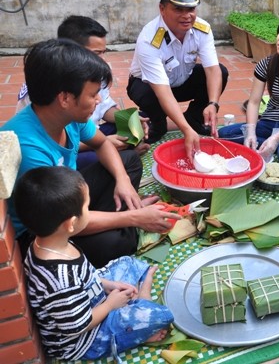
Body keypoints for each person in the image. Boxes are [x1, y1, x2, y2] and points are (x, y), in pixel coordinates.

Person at [1, 39, 175, 267]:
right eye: (93, 94)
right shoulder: (30, 150)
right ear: (65, 98)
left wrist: (123, 181)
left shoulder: (67, 116)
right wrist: (135, 217)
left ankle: (115, 216)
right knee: (116, 243)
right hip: (45, 231)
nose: (99, 100)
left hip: (71, 201)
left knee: (129, 161)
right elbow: (60, 221)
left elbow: (103, 144)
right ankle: (121, 220)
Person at [14, 166, 174, 361]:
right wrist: (110, 305)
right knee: (161, 317)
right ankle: (139, 310)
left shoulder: (48, 242)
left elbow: (87, 277)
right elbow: (78, 325)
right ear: (71, 223)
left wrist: (108, 285)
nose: (89, 211)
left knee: (127, 263)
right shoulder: (59, 280)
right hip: (86, 339)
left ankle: (135, 306)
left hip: (90, 302)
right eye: (86, 207)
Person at [16, 15, 150, 169]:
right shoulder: (46, 88)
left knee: (133, 125)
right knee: (106, 159)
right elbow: (55, 142)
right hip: (65, 147)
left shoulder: (94, 72)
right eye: (96, 53)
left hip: (86, 133)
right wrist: (103, 144)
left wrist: (128, 121)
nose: (101, 60)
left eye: (103, 52)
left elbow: (104, 108)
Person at [127, 0, 229, 159]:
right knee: (156, 126)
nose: (187, 16)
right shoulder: (149, 39)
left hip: (181, 81)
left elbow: (212, 69)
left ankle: (194, 118)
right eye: (178, 9)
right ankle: (157, 121)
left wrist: (213, 103)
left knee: (222, 73)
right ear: (162, 8)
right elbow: (162, 91)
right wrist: (185, 130)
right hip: (150, 87)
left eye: (190, 9)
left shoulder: (202, 29)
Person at [218, 15, 279, 165]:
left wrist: (277, 138)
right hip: (268, 122)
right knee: (224, 134)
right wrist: (250, 131)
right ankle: (266, 142)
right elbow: (253, 102)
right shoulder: (266, 64)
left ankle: (278, 143)